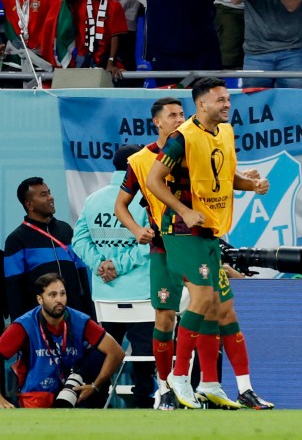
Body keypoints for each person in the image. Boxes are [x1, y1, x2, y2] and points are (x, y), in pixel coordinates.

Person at [145, 77, 273, 410]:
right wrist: (184, 211)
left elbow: (226, 178)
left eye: (228, 98)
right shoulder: (181, 138)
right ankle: (178, 377)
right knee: (201, 299)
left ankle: (237, 387)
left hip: (211, 233)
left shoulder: (225, 133)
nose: (227, 104)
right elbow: (153, 180)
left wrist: (252, 185)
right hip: (182, 232)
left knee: (224, 309)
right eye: (221, 100)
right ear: (202, 104)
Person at [113, 97, 186, 411]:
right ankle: (165, 386)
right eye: (172, 115)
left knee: (211, 314)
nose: (179, 119)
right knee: (165, 315)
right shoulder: (141, 160)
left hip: (198, 242)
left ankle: (200, 384)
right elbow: (120, 206)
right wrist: (136, 230)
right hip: (163, 247)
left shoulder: (195, 149)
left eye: (183, 114)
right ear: (157, 122)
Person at [71, 144, 153, 408]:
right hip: (143, 295)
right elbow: (150, 244)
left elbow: (79, 240)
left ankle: (95, 400)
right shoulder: (147, 199)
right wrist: (118, 265)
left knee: (103, 349)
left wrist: (101, 265)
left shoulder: (94, 199)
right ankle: (143, 402)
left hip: (106, 296)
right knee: (145, 353)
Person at [0, 274, 124, 409]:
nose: (59, 299)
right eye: (52, 295)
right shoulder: (24, 325)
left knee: (98, 354)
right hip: (38, 395)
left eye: (62, 294)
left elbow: (116, 352)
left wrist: (96, 385)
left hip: (73, 392)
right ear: (40, 299)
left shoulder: (80, 320)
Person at [4, 178, 94, 321]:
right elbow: (14, 291)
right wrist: (21, 328)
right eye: (43, 194)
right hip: (39, 322)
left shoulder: (67, 230)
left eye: (49, 192)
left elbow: (81, 275)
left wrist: (90, 317)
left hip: (74, 316)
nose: (50, 197)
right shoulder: (16, 240)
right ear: (29, 204)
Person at [68, 0, 127, 79]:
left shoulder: (115, 6)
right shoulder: (78, 1)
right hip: (80, 60)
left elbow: (115, 37)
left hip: (105, 61)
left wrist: (111, 62)